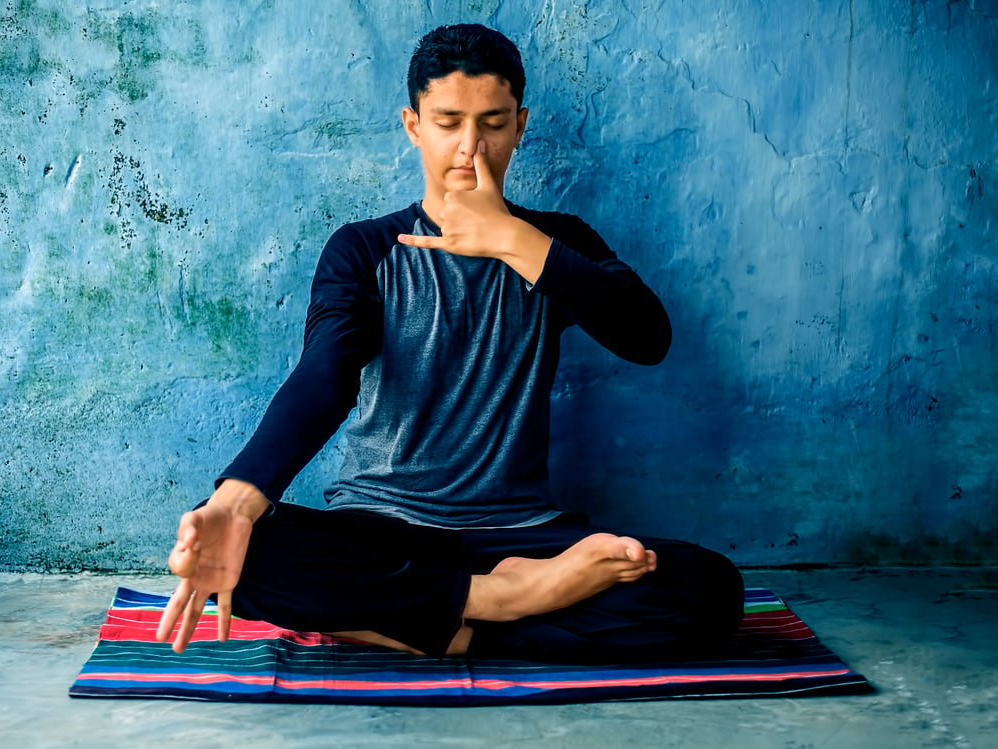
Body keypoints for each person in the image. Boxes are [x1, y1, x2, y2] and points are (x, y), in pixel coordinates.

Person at [156, 24, 743, 663]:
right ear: (413, 124)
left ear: (520, 125)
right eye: (448, 122)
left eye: (492, 123)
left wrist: (512, 240)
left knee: (709, 588)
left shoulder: (557, 242)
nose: (471, 147)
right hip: (384, 536)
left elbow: (647, 337)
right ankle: (498, 605)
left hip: (523, 535)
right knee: (240, 546)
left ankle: (426, 620)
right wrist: (237, 503)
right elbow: (324, 378)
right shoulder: (364, 250)